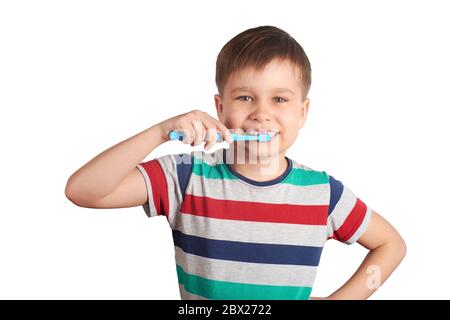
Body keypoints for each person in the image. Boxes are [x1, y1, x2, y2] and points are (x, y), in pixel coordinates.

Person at [65, 25, 406, 300]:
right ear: (220, 108)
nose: (261, 113)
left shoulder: (322, 193)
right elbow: (84, 191)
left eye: (279, 99)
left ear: (302, 113)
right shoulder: (186, 176)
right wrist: (159, 132)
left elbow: (391, 245)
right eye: (245, 97)